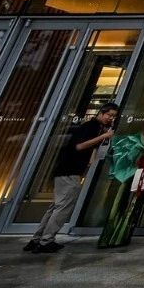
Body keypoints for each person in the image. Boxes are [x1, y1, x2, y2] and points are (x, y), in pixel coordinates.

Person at [26, 103, 118, 253]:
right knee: (63, 207)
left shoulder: (94, 127)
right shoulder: (91, 127)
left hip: (66, 171)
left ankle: (37, 239)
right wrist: (103, 137)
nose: (111, 118)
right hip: (70, 171)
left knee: (56, 206)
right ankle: (46, 241)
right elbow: (79, 146)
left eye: (113, 116)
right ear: (101, 112)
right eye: (109, 115)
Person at [98, 116, 144, 248]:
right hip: (129, 171)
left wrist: (142, 151)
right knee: (119, 202)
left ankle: (122, 236)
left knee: (133, 204)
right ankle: (108, 237)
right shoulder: (137, 137)